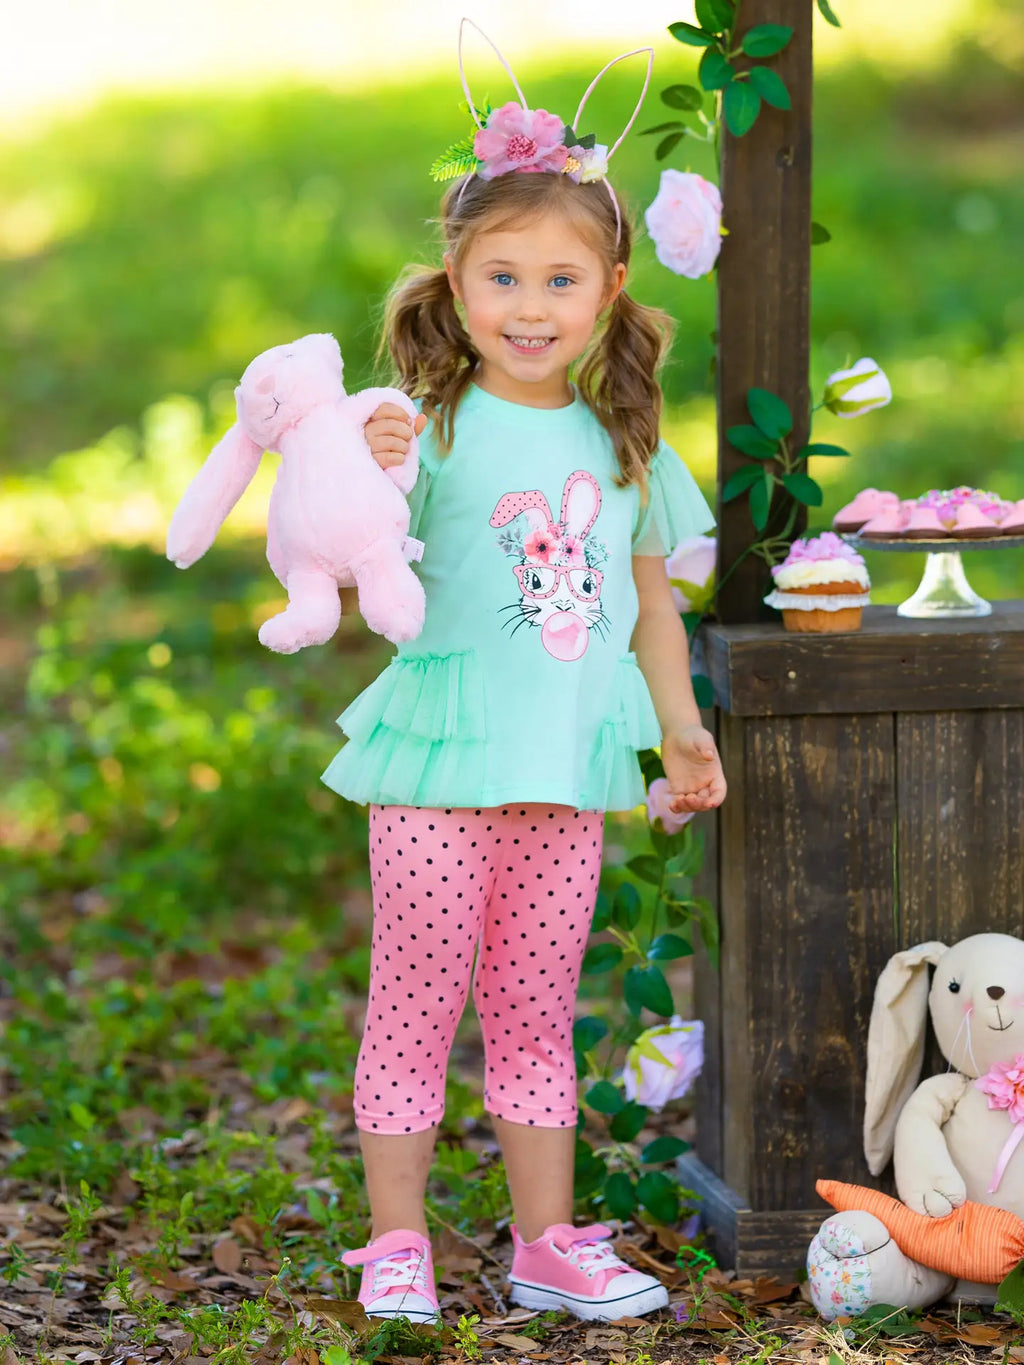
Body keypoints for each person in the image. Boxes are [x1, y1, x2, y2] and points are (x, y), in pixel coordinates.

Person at [323, 23, 727, 1326]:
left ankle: (547, 1243)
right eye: (503, 277)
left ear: (610, 287)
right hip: (441, 767)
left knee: (539, 1012)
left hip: (564, 769)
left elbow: (651, 602)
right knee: (415, 1005)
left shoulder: (628, 443)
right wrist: (373, 466)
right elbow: (356, 550)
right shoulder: (425, 426)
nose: (531, 307)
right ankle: (395, 1244)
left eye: (561, 279)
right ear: (456, 282)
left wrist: (680, 729)